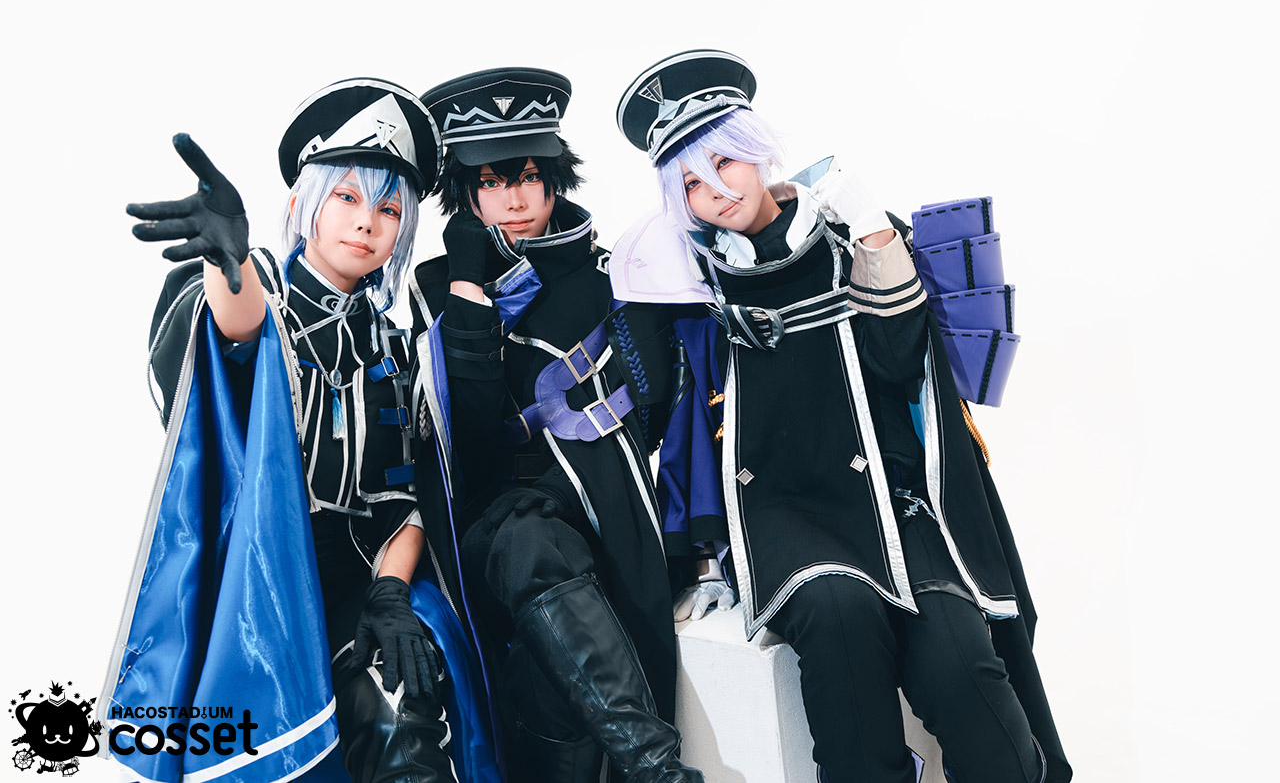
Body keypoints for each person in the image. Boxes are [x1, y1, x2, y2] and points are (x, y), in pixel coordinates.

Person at [611, 49, 1071, 783]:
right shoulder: (692, 285)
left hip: (901, 506)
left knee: (962, 671)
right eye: (691, 183)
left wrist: (878, 239)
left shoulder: (847, 239)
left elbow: (901, 363)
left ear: (759, 153)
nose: (715, 191)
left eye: (725, 162)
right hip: (787, 518)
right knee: (840, 632)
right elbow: (662, 407)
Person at [108, 79, 498, 783]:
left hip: (361, 579)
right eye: (346, 197)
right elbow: (238, 328)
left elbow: (406, 500)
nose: (366, 223)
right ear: (304, 205)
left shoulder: (397, 345)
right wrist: (227, 261)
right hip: (260, 582)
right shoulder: (267, 293)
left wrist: (390, 594)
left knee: (405, 709)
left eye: (388, 208)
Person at [409, 67, 702, 783]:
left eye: (530, 177)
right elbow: (472, 441)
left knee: (551, 688)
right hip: (501, 534)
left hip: (612, 517)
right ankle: (661, 771)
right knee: (529, 542)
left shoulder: (616, 273)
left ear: (554, 180)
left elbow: (665, 408)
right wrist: (469, 293)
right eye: (491, 181)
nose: (514, 199)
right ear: (466, 193)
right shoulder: (435, 291)